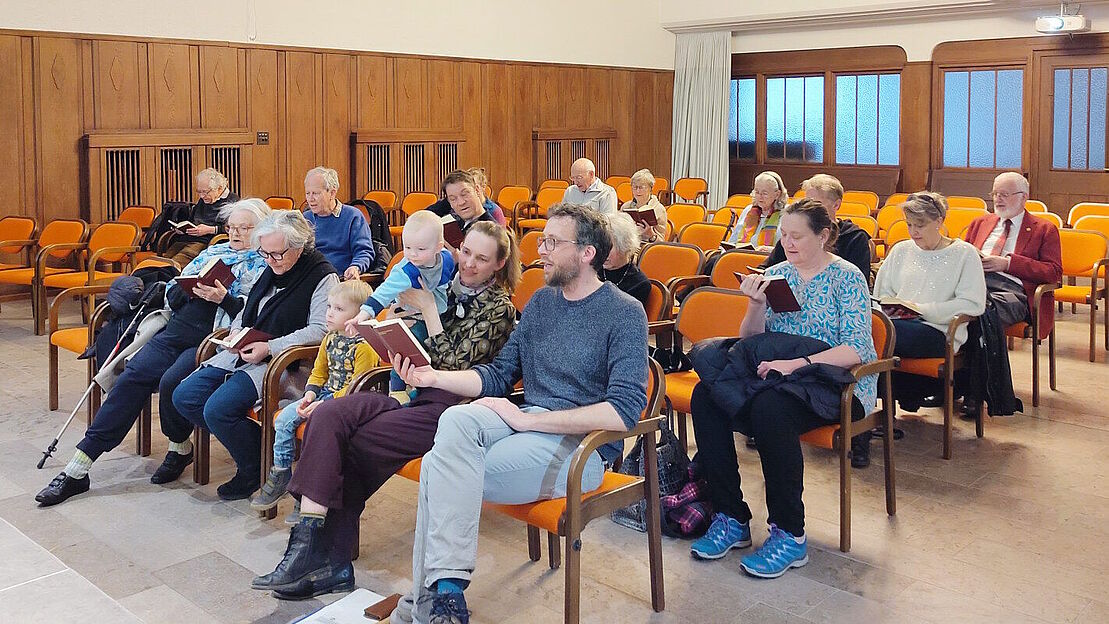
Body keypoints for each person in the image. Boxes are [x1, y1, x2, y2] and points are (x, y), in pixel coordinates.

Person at [386, 203, 647, 622]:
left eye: (552, 243)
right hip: (523, 421)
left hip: (581, 448)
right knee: (455, 420)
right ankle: (443, 598)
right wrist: (432, 377)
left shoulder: (624, 312)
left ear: (587, 254)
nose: (540, 250)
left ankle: (429, 601)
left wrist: (529, 420)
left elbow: (623, 413)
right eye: (542, 240)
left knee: (440, 470)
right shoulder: (542, 302)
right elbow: (499, 374)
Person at [251, 222, 520, 600]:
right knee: (328, 416)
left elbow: (451, 366)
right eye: (467, 253)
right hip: (412, 393)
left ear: (499, 263)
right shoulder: (442, 285)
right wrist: (395, 348)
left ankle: (325, 559)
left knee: (351, 442)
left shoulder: (500, 310)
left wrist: (427, 311)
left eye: (482, 259)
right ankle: (310, 547)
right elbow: (417, 350)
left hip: (455, 409)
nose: (469, 264)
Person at [34, 200, 271, 507]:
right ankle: (78, 467)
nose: (236, 233)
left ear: (261, 229)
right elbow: (172, 292)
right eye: (231, 227)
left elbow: (255, 315)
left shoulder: (266, 264)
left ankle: (179, 447)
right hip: (175, 331)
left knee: (174, 382)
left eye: (244, 228)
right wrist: (180, 290)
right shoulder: (213, 252)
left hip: (212, 341)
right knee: (132, 377)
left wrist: (224, 298)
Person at [689, 199, 876, 579]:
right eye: (783, 235)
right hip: (780, 373)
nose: (787, 243)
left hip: (834, 380)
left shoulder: (847, 277)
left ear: (823, 236)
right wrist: (755, 305)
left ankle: (789, 533)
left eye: (797, 236)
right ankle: (731, 516)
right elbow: (752, 340)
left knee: (770, 410)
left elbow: (857, 347)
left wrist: (796, 364)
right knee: (705, 396)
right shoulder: (776, 274)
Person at [168, 211, 338, 500]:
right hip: (246, 350)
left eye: (277, 254)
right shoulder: (270, 265)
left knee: (218, 409)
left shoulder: (323, 275)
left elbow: (321, 330)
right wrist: (236, 334)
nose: (270, 260)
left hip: (284, 361)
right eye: (265, 252)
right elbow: (249, 308)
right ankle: (264, 452)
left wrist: (270, 347)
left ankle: (252, 468)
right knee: (185, 395)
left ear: (299, 247)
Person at [250, 279, 380, 512]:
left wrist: (322, 405)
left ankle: (306, 493)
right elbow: (319, 372)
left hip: (348, 402)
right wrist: (310, 394)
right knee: (283, 419)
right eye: (329, 307)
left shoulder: (365, 346)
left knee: (315, 432)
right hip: (324, 395)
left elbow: (358, 387)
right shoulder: (330, 338)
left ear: (360, 314)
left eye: (339, 309)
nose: (329, 314)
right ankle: (281, 473)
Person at [873, 192, 986, 411]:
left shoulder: (964, 254)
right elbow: (882, 292)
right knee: (870, 327)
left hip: (938, 332)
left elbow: (972, 304)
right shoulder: (901, 250)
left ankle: (868, 411)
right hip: (899, 324)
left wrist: (921, 310)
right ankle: (872, 410)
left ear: (939, 221)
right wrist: (891, 308)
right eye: (909, 225)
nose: (913, 232)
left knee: (877, 334)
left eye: (920, 225)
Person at [348, 210, 455, 394]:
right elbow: (383, 293)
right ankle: (398, 391)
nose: (412, 255)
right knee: (406, 351)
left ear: (438, 247)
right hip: (414, 317)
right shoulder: (405, 270)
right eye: (407, 248)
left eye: (420, 249)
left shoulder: (446, 258)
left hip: (440, 315)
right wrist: (363, 314)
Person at [963, 172, 1062, 329]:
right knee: (947, 305)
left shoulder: (1044, 229)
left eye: (1004, 194)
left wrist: (1008, 264)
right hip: (974, 284)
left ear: (1023, 197)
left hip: (1012, 292)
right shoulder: (980, 223)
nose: (997, 199)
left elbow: (1053, 273)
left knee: (980, 312)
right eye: (995, 194)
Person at [760, 174, 872, 282]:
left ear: (836, 205)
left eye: (816, 203)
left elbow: (858, 280)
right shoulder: (795, 233)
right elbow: (767, 268)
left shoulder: (855, 238)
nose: (810, 208)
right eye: (807, 202)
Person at [301, 166, 375, 281]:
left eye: (315, 193)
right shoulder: (306, 218)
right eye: (307, 193)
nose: (310, 199)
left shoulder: (353, 216)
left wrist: (355, 267)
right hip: (310, 278)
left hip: (341, 279)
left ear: (332, 193)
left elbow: (364, 251)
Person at [163, 168, 240, 265]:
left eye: (205, 192)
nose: (201, 196)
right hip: (189, 239)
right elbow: (192, 220)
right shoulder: (204, 199)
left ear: (219, 188)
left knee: (174, 264)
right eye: (199, 192)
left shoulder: (232, 201)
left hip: (207, 243)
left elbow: (234, 228)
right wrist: (182, 228)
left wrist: (210, 229)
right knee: (163, 261)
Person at [723, 171, 788, 247]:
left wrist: (773, 251)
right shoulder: (748, 210)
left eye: (764, 193)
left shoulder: (787, 214)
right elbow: (733, 240)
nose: (760, 196)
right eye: (757, 192)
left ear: (777, 194)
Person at [601, 211, 651, 307]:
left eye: (609, 247)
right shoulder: (591, 270)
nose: (603, 252)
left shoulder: (639, 284)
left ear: (625, 247)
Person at [620, 168, 667, 243]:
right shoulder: (625, 207)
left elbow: (661, 243)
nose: (638, 191)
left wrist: (650, 234)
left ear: (650, 189)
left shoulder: (659, 209)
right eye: (635, 187)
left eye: (641, 187)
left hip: (648, 248)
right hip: (629, 246)